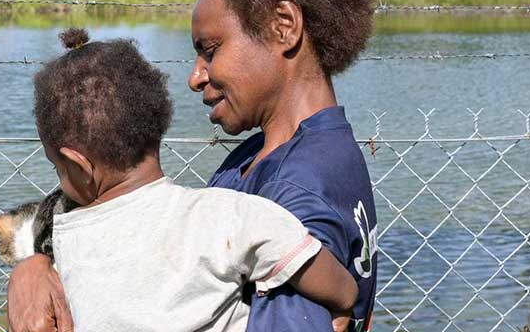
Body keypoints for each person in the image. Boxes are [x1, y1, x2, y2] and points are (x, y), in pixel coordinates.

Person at [8, 0, 378, 332]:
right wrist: (34, 266)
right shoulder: (277, 155)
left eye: (210, 50)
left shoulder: (295, 192)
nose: (195, 76)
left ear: (284, 26)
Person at [26, 27, 357, 331]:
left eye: (57, 168)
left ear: (79, 166)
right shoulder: (228, 215)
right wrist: (344, 299)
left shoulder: (68, 243)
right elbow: (304, 260)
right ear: (154, 129)